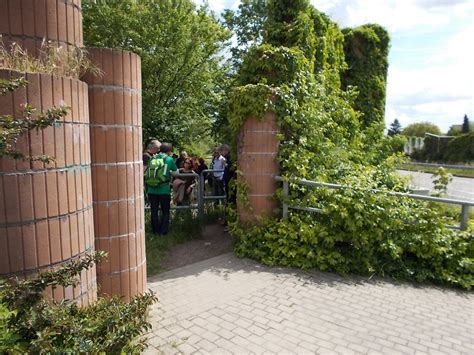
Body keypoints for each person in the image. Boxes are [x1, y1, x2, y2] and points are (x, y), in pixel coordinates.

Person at [146, 143, 177, 235]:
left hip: (151, 189)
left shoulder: (152, 158)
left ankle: (155, 231)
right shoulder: (169, 159)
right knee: (165, 211)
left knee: (154, 211)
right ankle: (163, 232)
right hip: (164, 189)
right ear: (169, 151)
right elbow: (176, 172)